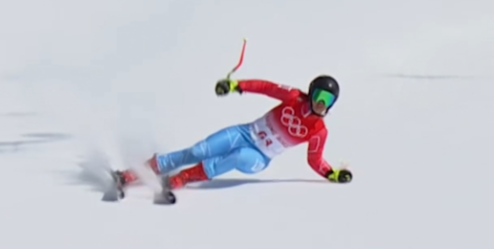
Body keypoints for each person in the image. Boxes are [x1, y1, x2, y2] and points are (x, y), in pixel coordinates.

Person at [112, 74, 352, 201]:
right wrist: (236, 85)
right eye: (320, 96)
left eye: (328, 101)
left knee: (236, 157)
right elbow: (265, 87)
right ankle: (138, 171)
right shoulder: (293, 97)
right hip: (244, 133)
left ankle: (181, 178)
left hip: (259, 156)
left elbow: (315, 160)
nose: (322, 104)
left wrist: (332, 173)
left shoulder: (319, 131)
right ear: (311, 93)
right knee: (198, 150)